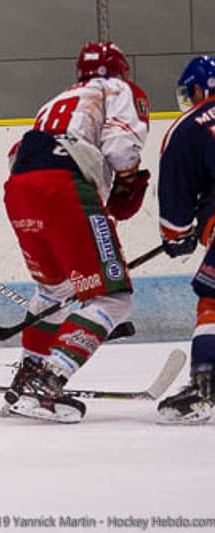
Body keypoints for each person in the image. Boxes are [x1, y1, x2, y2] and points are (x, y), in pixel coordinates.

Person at [1, 41, 150, 423]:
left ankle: (26, 379)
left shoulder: (56, 100)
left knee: (55, 290)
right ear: (122, 70)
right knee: (113, 298)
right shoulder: (119, 89)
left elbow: (18, 153)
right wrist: (129, 178)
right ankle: (47, 382)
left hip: (19, 189)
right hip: (63, 189)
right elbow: (120, 150)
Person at [155, 55, 215, 425]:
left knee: (212, 300)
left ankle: (204, 384)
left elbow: (174, 199)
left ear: (197, 88)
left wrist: (177, 236)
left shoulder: (191, 125)